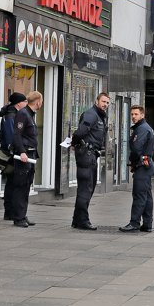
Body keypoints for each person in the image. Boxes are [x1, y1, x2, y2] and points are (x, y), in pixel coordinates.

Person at [70, 92, 110, 231]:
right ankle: (83, 221)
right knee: (86, 188)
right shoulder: (91, 114)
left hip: (91, 154)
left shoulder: (99, 116)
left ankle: (77, 220)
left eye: (107, 103)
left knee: (88, 187)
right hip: (86, 155)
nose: (105, 104)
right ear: (96, 101)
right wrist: (74, 144)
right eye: (103, 101)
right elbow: (80, 132)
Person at [120, 105, 154, 232]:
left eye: (136, 114)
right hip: (146, 165)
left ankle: (134, 222)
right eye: (132, 114)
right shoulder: (144, 128)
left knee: (139, 195)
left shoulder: (142, 129)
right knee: (146, 195)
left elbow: (136, 149)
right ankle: (147, 224)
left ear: (142, 115)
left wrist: (134, 162)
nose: (133, 117)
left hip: (143, 166)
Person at [10, 91, 42, 228]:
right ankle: (18, 218)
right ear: (38, 101)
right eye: (41, 101)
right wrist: (22, 152)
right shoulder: (23, 114)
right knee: (20, 186)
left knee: (26, 186)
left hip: (30, 155)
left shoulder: (29, 114)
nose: (42, 103)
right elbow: (17, 135)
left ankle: (22, 215)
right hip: (24, 156)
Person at [0, 92, 27, 221]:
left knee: (11, 182)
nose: (26, 104)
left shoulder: (13, 114)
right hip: (11, 154)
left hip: (13, 153)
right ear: (19, 103)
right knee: (12, 183)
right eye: (25, 101)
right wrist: (17, 151)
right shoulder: (10, 116)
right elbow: (11, 136)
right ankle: (9, 211)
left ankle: (10, 211)